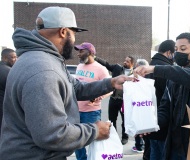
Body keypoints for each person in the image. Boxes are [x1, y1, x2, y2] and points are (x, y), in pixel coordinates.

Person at [0, 6, 133, 160]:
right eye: (74, 33)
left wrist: (111, 83)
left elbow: (75, 88)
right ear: (63, 32)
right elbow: (52, 135)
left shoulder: (43, 58)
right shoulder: (43, 71)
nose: (75, 40)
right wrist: (95, 131)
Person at [134, 32, 190, 160]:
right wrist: (152, 123)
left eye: (183, 49)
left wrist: (154, 69)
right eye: (176, 49)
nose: (178, 53)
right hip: (174, 144)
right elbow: (165, 109)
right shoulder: (172, 79)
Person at [73, 42, 112, 160]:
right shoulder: (79, 66)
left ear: (89, 52)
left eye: (81, 51)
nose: (78, 54)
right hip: (75, 111)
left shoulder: (101, 69)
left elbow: (110, 89)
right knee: (76, 140)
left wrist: (98, 97)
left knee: (94, 141)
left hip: (91, 112)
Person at [145, 40, 175, 160]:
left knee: (152, 151)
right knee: (162, 153)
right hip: (163, 120)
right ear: (169, 53)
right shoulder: (166, 69)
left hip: (150, 118)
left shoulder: (151, 65)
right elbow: (168, 97)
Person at [95, 55, 135, 145]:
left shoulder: (134, 73)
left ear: (132, 64)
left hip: (125, 101)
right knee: (112, 120)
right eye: (125, 60)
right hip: (113, 99)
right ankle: (114, 137)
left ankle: (125, 137)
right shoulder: (117, 68)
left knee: (125, 120)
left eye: (127, 61)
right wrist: (95, 58)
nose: (125, 62)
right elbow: (106, 64)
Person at [131, 59, 149, 154]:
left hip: (139, 110)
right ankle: (142, 146)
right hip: (145, 110)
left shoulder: (137, 80)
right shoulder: (150, 80)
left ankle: (139, 147)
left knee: (139, 130)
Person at [0, 48, 17, 135]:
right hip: (4, 110)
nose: (16, 60)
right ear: (5, 58)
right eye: (13, 57)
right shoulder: (9, 72)